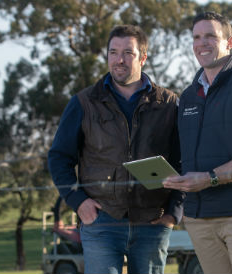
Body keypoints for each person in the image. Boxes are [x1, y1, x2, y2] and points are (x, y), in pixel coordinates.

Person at [47, 25, 182, 274]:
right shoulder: (83, 103)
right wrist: (78, 201)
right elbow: (58, 158)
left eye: (128, 53)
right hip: (101, 220)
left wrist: (174, 212)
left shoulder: (169, 104)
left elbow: (185, 160)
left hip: (153, 221)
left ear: (143, 57)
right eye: (113, 52)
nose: (119, 59)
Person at [162, 11, 232, 274]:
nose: (202, 43)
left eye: (211, 36)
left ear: (230, 42)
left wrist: (209, 178)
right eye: (197, 37)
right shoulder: (189, 96)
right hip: (200, 217)